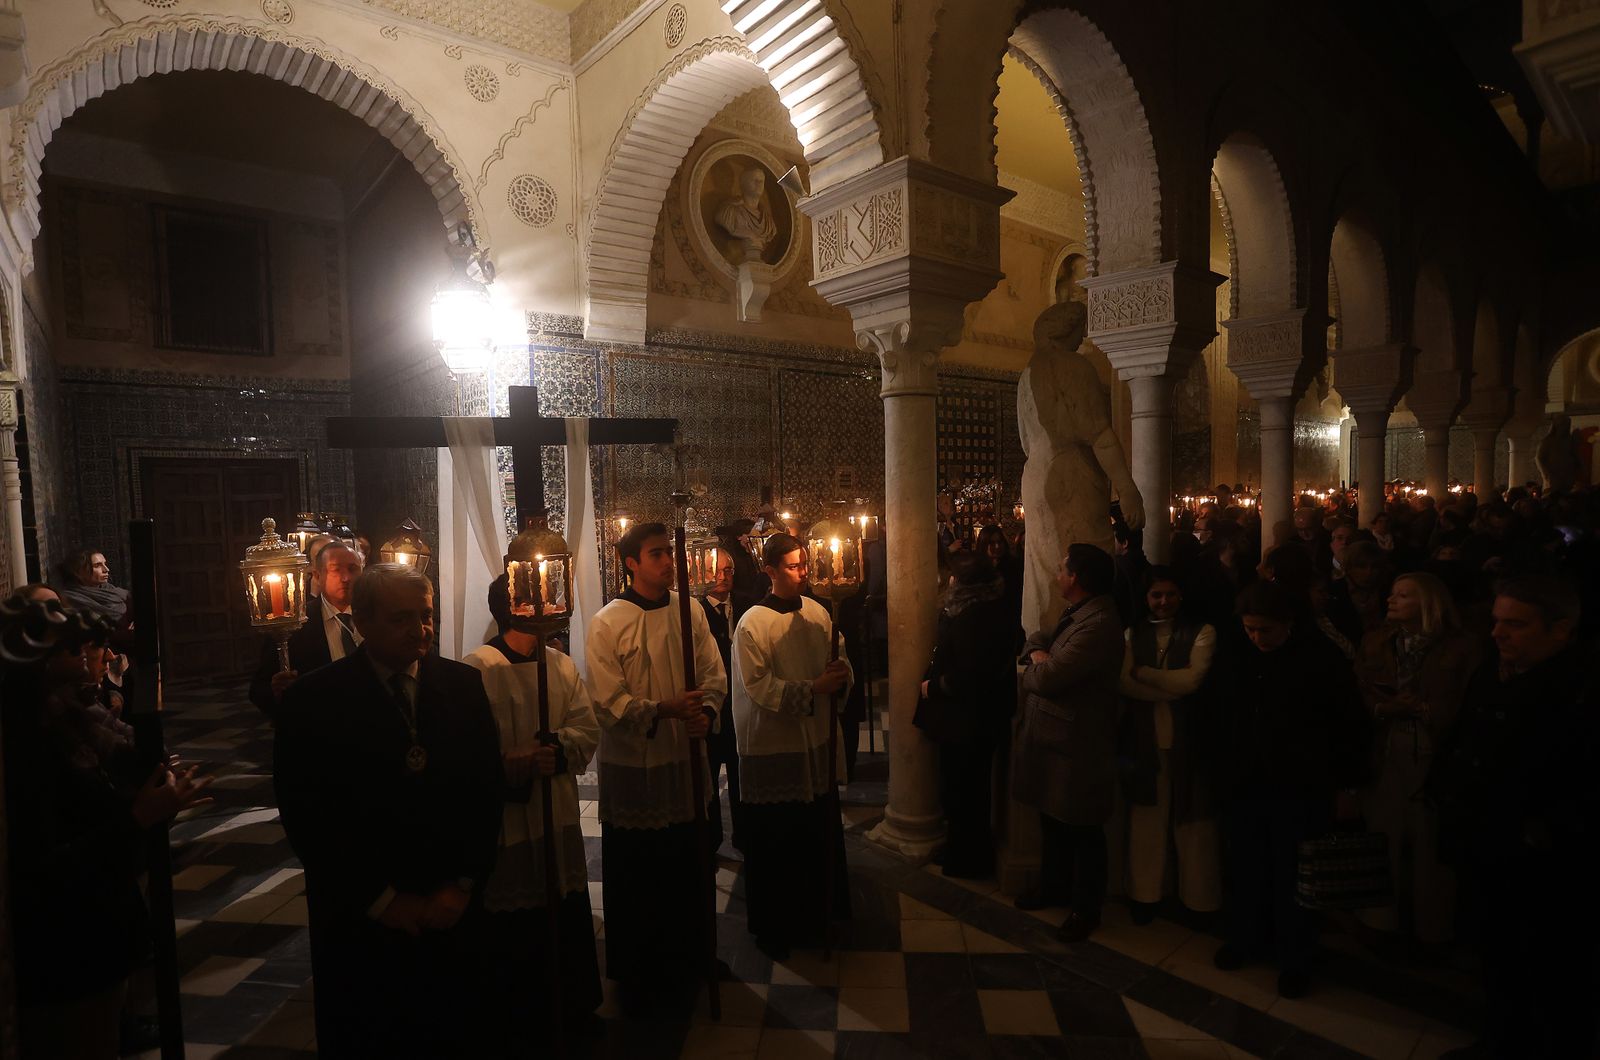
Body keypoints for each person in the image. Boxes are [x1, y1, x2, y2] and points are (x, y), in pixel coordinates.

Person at [273, 564, 504, 1058]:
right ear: (361, 622)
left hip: (450, 906)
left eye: (425, 616)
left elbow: (485, 793)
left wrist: (461, 883)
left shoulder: (463, 685)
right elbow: (308, 814)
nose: (420, 630)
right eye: (401, 619)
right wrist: (381, 900)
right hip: (362, 917)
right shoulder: (314, 700)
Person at [3, 598, 211, 1060]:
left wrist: (152, 798)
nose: (87, 660)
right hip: (64, 949)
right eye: (73, 651)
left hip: (97, 933)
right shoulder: (27, 751)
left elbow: (110, 792)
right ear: (34, 663)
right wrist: (138, 816)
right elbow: (44, 864)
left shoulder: (68, 723)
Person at [1429, 576, 1596, 1059]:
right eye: (1496, 621)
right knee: (1497, 957)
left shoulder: (1582, 689)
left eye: (1516, 625)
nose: (1498, 633)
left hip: (1548, 865)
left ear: (1561, 629)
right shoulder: (1494, 669)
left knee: (1554, 970)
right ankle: (1502, 1041)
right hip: (1486, 844)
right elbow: (1465, 737)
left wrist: (1543, 830)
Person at [584, 522, 727, 1013]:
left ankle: (694, 953)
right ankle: (641, 967)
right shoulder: (608, 621)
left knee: (689, 863)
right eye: (657, 554)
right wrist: (661, 709)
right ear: (631, 563)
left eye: (670, 552)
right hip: (636, 766)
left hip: (684, 758)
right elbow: (606, 700)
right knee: (640, 869)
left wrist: (705, 713)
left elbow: (712, 672)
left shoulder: (690, 609)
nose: (669, 561)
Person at [1212, 581, 1370, 999]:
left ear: (1289, 623)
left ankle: (1295, 957)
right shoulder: (1239, 655)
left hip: (1300, 788)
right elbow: (1223, 715)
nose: (1257, 638)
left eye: (1265, 629)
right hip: (1247, 783)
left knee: (1293, 875)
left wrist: (1347, 786)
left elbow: (1349, 728)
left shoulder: (1322, 661)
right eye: (1249, 629)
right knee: (1247, 867)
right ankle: (1247, 939)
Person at [463, 575, 603, 1042]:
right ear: (517, 606)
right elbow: (463, 754)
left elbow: (587, 728)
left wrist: (555, 749)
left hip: (556, 813)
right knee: (515, 927)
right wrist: (508, 764)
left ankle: (573, 1008)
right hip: (508, 822)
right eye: (540, 594)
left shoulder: (560, 665)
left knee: (561, 909)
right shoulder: (477, 669)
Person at [731, 533, 853, 958]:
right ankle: (778, 926)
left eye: (805, 564)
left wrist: (842, 675)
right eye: (793, 566)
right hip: (775, 744)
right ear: (769, 571)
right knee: (778, 843)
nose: (803, 573)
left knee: (815, 835)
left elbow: (840, 657)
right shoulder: (752, 623)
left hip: (815, 741)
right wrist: (815, 687)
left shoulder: (820, 612)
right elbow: (758, 687)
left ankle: (821, 914)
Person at [1352, 572, 1477, 947]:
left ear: (1429, 603)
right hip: (1387, 746)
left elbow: (1468, 699)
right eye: (1392, 594)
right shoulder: (1378, 642)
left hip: (1433, 749)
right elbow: (1359, 686)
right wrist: (1383, 707)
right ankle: (1379, 922)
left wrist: (1426, 709)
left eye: (1403, 595)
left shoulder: (1461, 648)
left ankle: (1430, 929)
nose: (1391, 600)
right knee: (1383, 834)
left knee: (1429, 845)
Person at [1011, 543, 1123, 942]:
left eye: (1061, 568)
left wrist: (1040, 663)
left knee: (1083, 829)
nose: (1056, 574)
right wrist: (1039, 655)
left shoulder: (1098, 624)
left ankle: (1085, 908)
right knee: (1053, 820)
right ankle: (1053, 887)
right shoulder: (1079, 613)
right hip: (1055, 738)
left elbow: (1047, 677)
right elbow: (1036, 641)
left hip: (1079, 742)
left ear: (1075, 577)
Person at [1117, 568, 1220, 924]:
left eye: (1170, 594)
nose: (1164, 602)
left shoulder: (1203, 631)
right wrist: (1165, 686)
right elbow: (1124, 685)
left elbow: (1192, 680)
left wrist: (1144, 673)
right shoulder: (1132, 632)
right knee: (1147, 818)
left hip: (1190, 739)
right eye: (1156, 595)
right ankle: (1145, 895)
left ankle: (1199, 900)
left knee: (1194, 821)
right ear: (1145, 598)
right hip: (1145, 739)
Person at [917, 551, 1014, 879]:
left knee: (965, 792)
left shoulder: (975, 616)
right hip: (971, 719)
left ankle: (968, 859)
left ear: (961, 582)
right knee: (962, 789)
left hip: (968, 720)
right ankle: (960, 848)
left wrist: (936, 687)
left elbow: (973, 674)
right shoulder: (986, 608)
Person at [248, 540, 364, 719]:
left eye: (353, 569)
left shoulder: (376, 616)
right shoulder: (294, 625)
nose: (346, 578)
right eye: (335, 569)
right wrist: (280, 692)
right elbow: (258, 690)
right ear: (317, 576)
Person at [700, 550, 748, 851]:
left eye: (727, 570)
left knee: (741, 772)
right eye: (715, 570)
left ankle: (745, 835)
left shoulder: (747, 604)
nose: (722, 576)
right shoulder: (694, 611)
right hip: (712, 706)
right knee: (707, 773)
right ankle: (710, 839)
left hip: (742, 703)